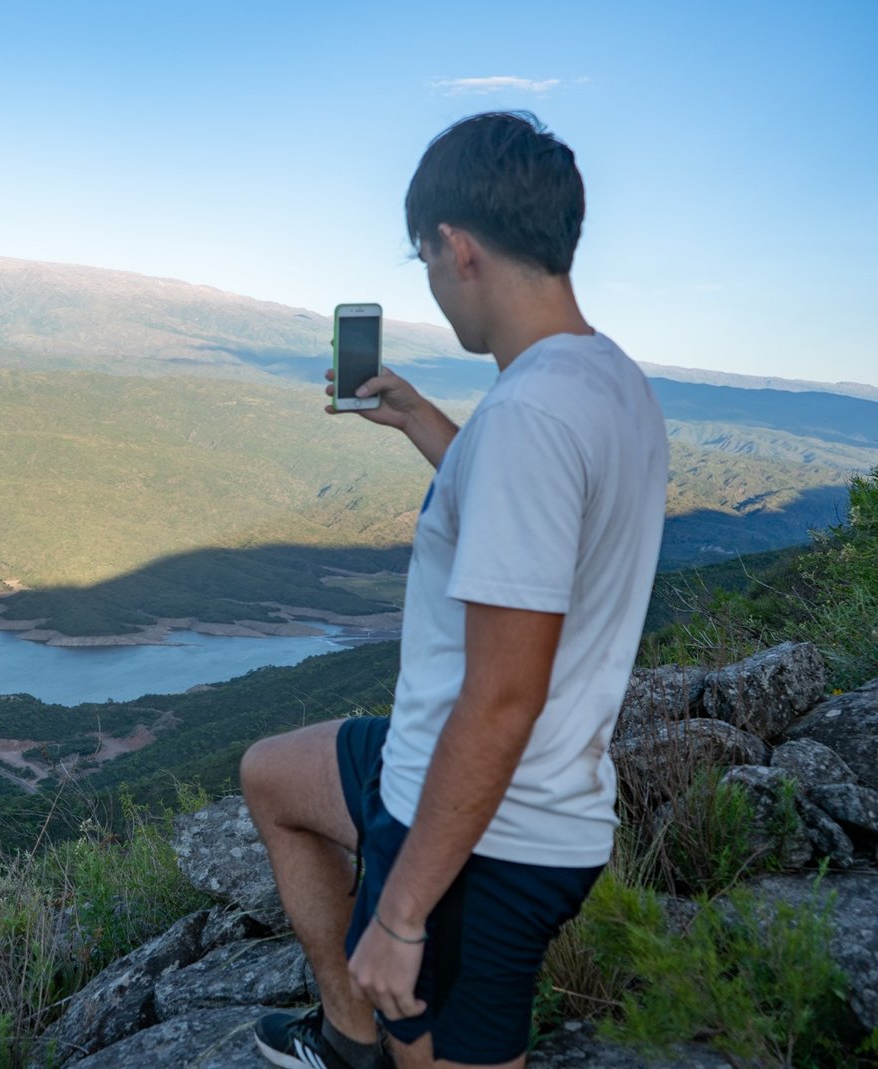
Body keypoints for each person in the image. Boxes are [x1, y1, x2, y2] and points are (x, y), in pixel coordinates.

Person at [242, 111, 669, 1069]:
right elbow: (538, 521)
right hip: (432, 774)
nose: (433, 289)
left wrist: (398, 913)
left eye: (425, 262)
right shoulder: (608, 383)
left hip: (492, 833)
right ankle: (347, 1039)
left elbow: (504, 691)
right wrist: (427, 424)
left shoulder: (530, 413)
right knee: (273, 773)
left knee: (432, 1045)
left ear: (456, 246)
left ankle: (376, 1025)